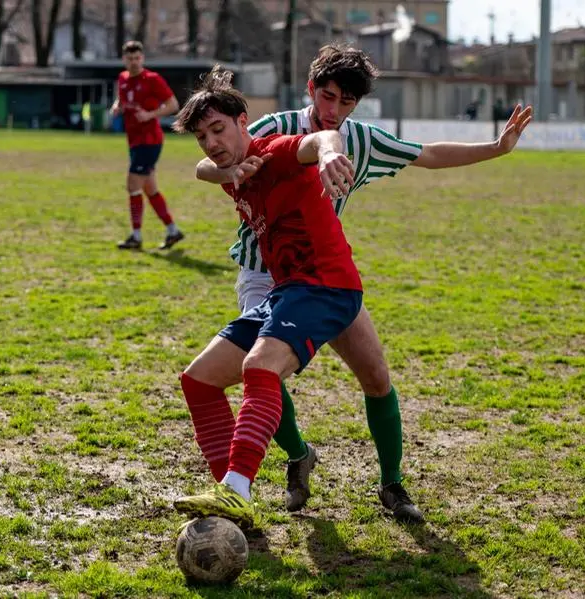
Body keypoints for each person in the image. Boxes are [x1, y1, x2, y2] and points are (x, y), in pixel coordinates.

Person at [195, 44, 533, 523]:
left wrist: (496, 148)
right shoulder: (273, 128)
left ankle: (392, 484)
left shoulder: (361, 140)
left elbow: (430, 154)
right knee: (264, 371)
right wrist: (227, 169)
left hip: (323, 277)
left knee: (375, 378)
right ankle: (297, 455)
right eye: (327, 96)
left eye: (346, 103)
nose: (333, 111)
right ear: (311, 88)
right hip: (262, 274)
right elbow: (207, 163)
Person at [171, 66, 361, 528]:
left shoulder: (273, 151)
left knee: (260, 367)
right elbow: (204, 169)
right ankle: (232, 502)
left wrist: (329, 156)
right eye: (202, 136)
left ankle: (236, 488)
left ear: (243, 122)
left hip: (327, 286)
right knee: (199, 380)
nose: (212, 142)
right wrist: (226, 169)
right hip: (286, 291)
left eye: (219, 129)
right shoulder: (232, 170)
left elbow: (317, 142)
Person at [111, 41, 184, 250]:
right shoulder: (123, 78)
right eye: (129, 59)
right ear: (124, 59)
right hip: (134, 141)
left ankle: (136, 236)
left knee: (133, 186)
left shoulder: (152, 79)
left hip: (149, 141)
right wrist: (116, 106)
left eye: (137, 58)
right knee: (149, 188)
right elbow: (122, 98)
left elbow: (173, 105)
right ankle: (173, 231)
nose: (133, 62)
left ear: (142, 58)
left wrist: (150, 115)